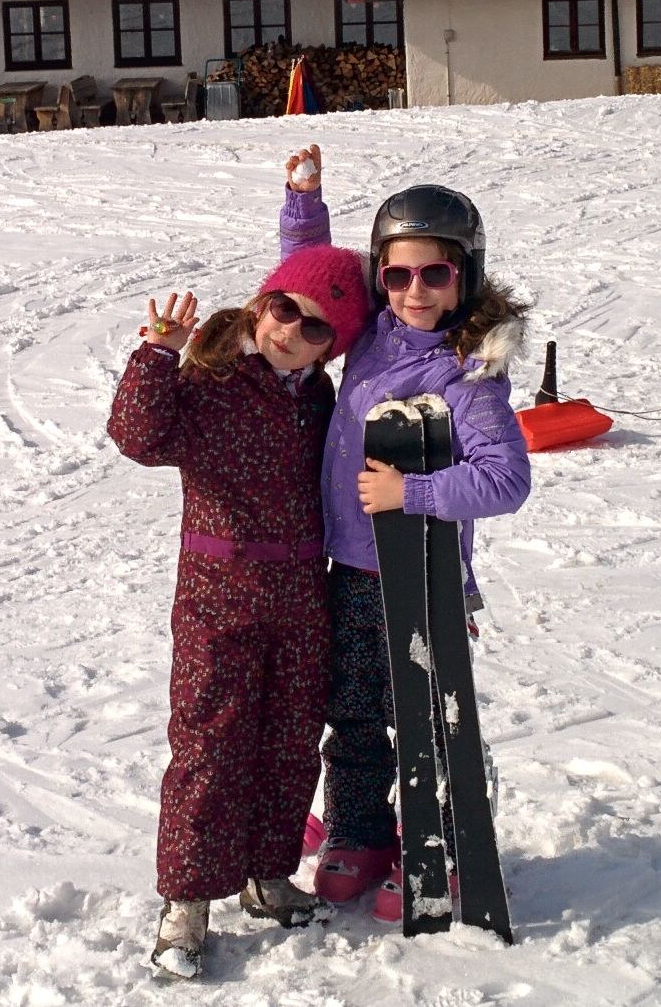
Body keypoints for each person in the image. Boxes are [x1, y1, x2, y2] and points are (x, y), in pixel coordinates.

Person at [278, 143, 532, 923]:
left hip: (421, 575)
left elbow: (505, 479)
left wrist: (411, 490)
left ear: (465, 274)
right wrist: (303, 199)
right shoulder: (370, 334)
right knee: (350, 709)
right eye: (396, 274)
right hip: (349, 569)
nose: (413, 290)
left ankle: (448, 837)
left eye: (434, 273)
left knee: (426, 712)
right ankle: (358, 829)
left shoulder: (469, 370)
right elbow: (306, 276)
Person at [108, 243, 373, 980]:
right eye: (285, 309)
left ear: (333, 348)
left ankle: (266, 873)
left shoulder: (320, 399)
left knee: (289, 739)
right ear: (262, 304)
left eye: (317, 327)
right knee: (209, 745)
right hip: (216, 596)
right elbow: (139, 437)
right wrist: (156, 356)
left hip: (300, 594)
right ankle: (186, 901)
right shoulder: (212, 379)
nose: (292, 330)